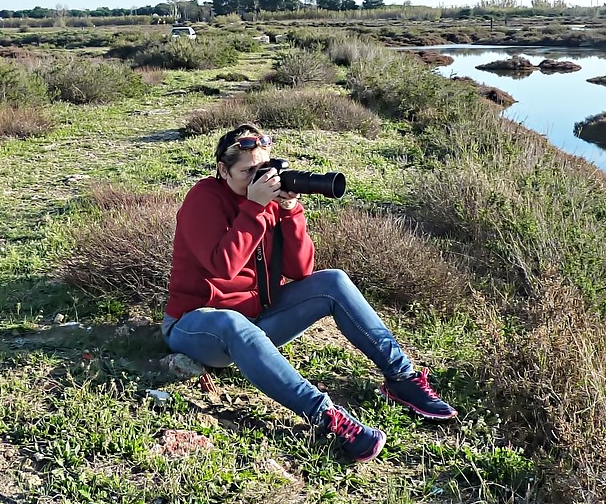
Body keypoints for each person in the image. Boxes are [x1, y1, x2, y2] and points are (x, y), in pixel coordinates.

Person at [163, 123, 457, 463]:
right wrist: (255, 209)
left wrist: (290, 212)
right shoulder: (204, 198)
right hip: (197, 325)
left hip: (257, 319)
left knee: (332, 281)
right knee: (231, 322)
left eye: (263, 168)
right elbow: (224, 268)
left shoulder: (266, 200)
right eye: (247, 171)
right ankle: (325, 416)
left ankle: (401, 378)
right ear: (222, 170)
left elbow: (301, 270)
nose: (258, 178)